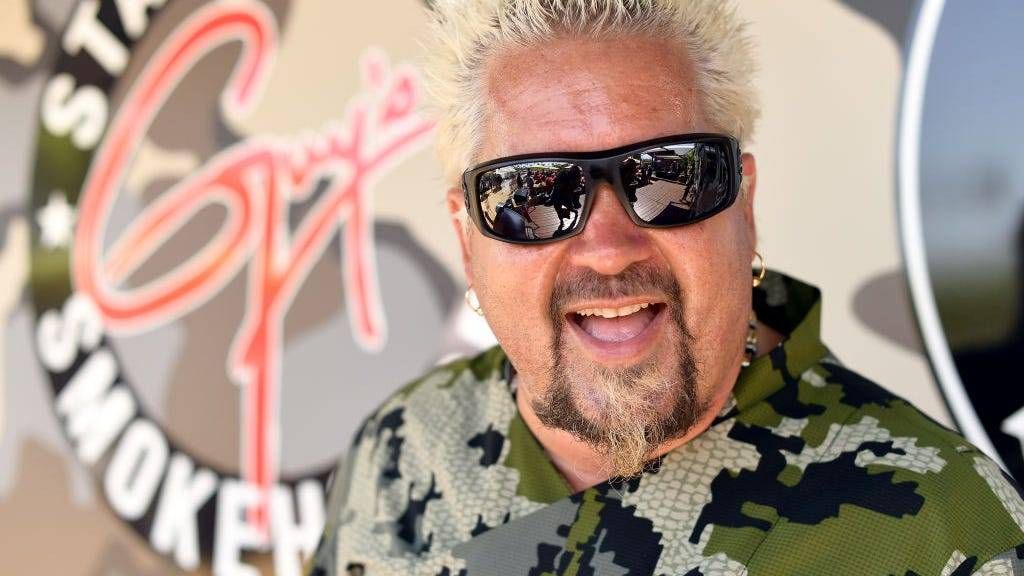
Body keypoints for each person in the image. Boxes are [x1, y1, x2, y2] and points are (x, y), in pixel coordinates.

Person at [309, 2, 1024, 574]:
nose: (608, 250)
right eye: (533, 195)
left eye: (669, 178)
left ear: (744, 206)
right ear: (468, 241)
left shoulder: (943, 528)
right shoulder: (403, 449)